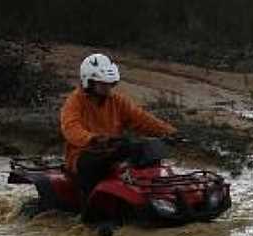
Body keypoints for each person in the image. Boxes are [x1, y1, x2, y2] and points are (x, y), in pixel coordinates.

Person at [60, 53, 177, 211]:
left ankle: (155, 197)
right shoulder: (74, 102)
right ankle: (90, 213)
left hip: (112, 148)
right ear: (89, 83)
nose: (107, 88)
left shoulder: (117, 101)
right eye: (102, 84)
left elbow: (141, 119)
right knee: (92, 165)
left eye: (109, 83)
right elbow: (71, 128)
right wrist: (93, 139)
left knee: (144, 150)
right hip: (83, 153)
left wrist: (169, 132)